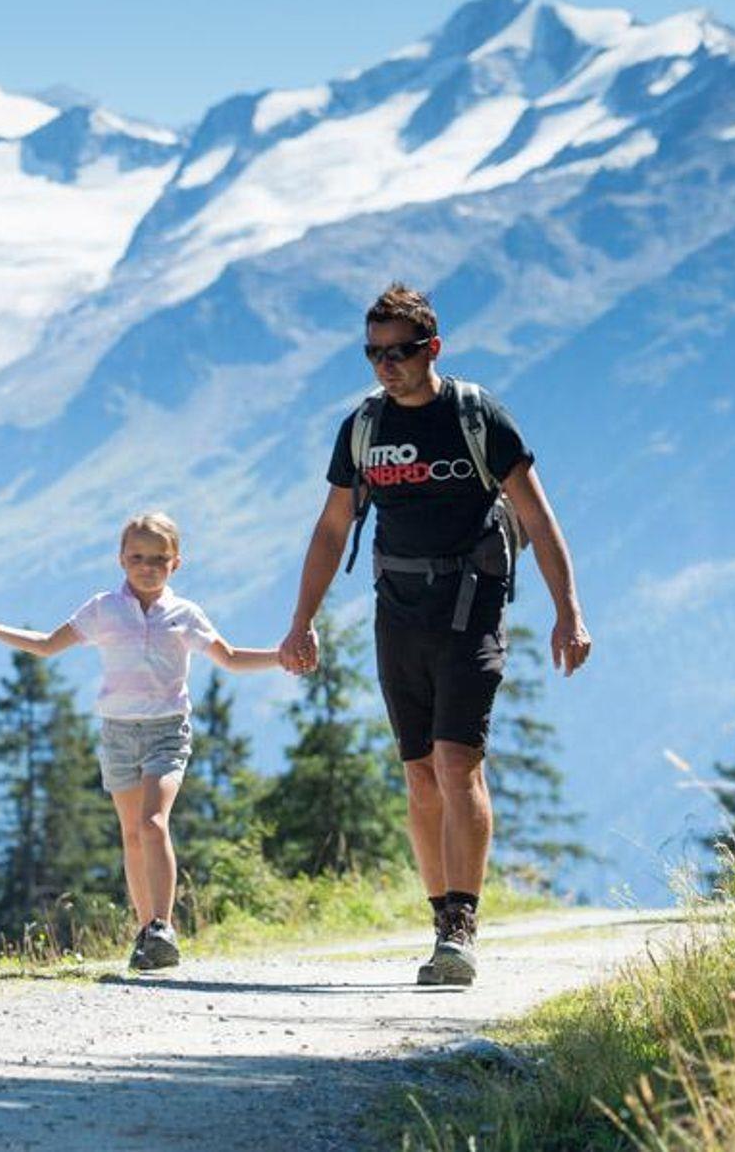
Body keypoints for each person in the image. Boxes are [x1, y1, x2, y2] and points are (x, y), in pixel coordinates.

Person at [277, 283, 592, 987]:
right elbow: (332, 529)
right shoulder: (363, 428)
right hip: (397, 611)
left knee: (457, 762)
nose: (386, 365)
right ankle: (439, 916)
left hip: (471, 605)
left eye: (400, 352)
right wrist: (302, 621)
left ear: (433, 348)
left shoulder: (478, 416)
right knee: (419, 772)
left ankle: (461, 926)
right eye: (374, 353)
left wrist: (568, 610)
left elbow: (538, 518)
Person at [0, 511, 287, 970]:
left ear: (176, 562)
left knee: (154, 823)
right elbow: (45, 644)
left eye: (159, 559)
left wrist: (283, 657)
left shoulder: (185, 615)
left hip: (166, 731)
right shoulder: (104, 609)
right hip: (117, 733)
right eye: (138, 557)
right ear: (121, 559)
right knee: (132, 835)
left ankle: (163, 927)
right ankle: (146, 934)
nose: (148, 567)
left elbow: (232, 658)